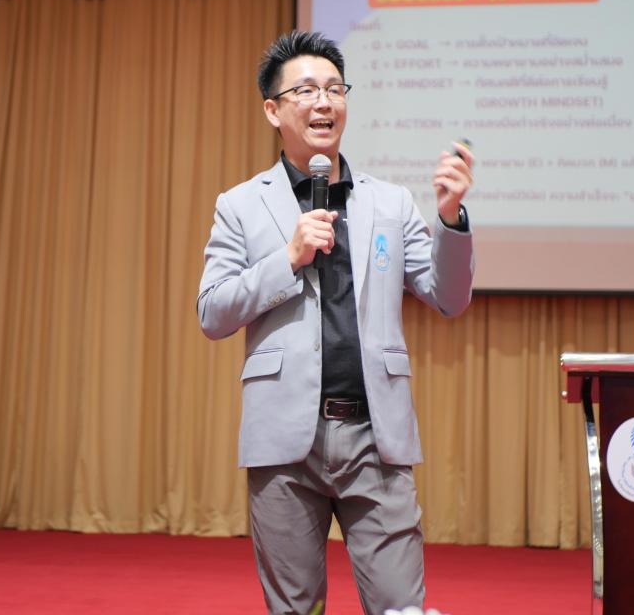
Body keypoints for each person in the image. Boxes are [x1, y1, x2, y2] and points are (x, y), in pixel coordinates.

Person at [197, 30, 474, 614]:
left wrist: (450, 219)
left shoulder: (390, 203)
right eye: (305, 90)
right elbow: (213, 312)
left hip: (376, 435)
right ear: (273, 110)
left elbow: (448, 298)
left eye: (334, 89)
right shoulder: (241, 204)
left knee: (401, 606)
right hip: (284, 441)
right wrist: (287, 258)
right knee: (295, 608)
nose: (324, 102)